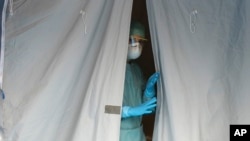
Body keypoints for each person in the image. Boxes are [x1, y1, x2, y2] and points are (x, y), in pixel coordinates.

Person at [120, 21, 160, 141]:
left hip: (138, 134)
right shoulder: (111, 70)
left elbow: (147, 107)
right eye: (132, 40)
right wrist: (127, 111)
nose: (136, 45)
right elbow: (104, 108)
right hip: (117, 134)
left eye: (140, 41)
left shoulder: (137, 70)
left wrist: (148, 92)